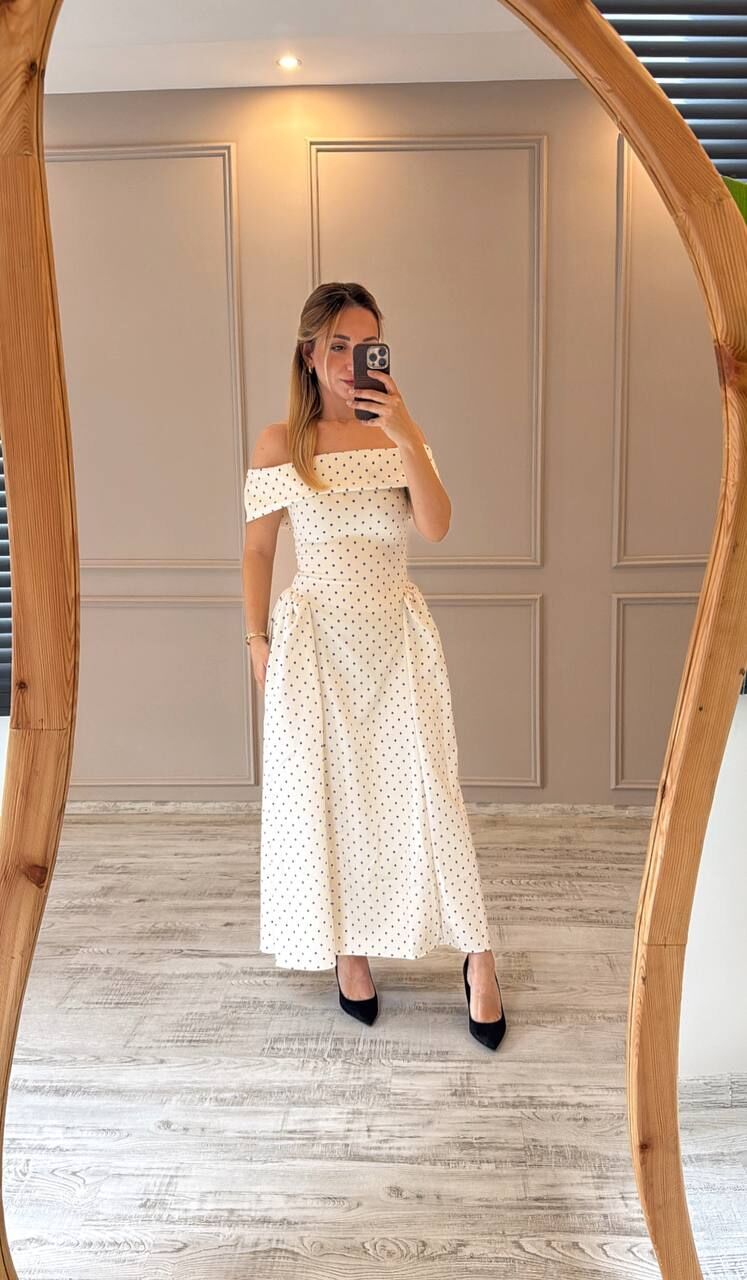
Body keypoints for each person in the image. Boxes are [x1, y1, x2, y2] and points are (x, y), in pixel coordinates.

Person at [242, 281, 506, 1051]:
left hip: (396, 639)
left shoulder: (397, 434)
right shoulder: (279, 443)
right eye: (337, 346)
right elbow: (258, 549)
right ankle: (347, 951)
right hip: (315, 642)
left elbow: (436, 526)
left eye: (366, 346)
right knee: (329, 799)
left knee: (431, 795)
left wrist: (407, 433)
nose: (351, 359)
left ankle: (478, 959)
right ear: (308, 354)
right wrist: (255, 639)